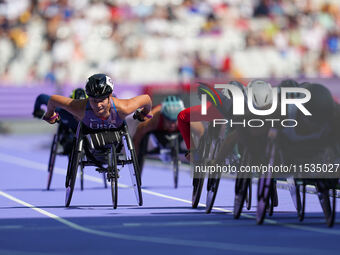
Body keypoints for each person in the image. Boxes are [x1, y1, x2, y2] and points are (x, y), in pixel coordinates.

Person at [43, 74, 152, 131]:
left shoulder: (124, 107)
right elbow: (52, 100)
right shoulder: (79, 107)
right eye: (94, 100)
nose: (98, 105)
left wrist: (144, 113)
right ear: (88, 97)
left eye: (101, 100)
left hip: (116, 132)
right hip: (88, 134)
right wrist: (50, 114)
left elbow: (147, 99)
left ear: (110, 96)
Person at [133, 95, 185, 173]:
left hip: (180, 132)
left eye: (175, 120)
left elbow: (201, 136)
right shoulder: (152, 120)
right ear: (163, 116)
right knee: (142, 139)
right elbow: (136, 139)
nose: (172, 125)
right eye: (169, 120)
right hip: (158, 133)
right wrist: (136, 158)